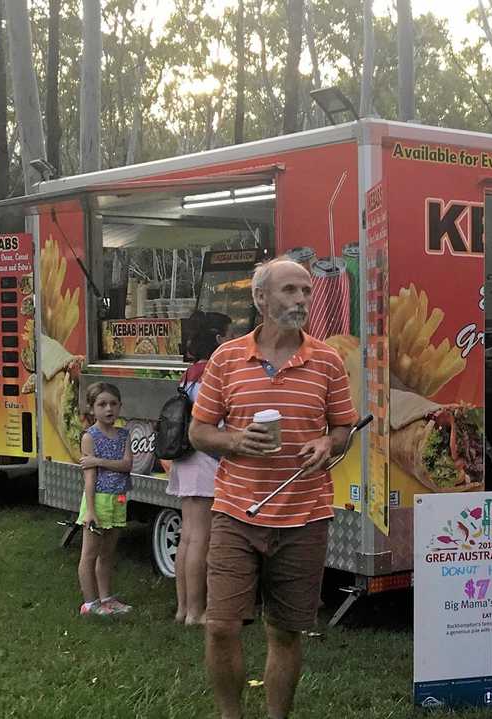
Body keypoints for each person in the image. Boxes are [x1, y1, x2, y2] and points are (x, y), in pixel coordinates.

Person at [189, 258, 357, 719]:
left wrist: (328, 443)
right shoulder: (227, 359)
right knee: (221, 626)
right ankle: (230, 715)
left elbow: (344, 429)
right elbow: (198, 432)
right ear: (261, 298)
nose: (301, 299)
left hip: (304, 518)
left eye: (305, 291)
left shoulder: (326, 359)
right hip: (236, 513)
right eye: (289, 291)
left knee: (285, 631)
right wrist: (236, 440)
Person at [167, 311, 234, 626]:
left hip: (185, 457)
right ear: (218, 338)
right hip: (206, 458)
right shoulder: (214, 372)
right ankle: (198, 611)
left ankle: (183, 608)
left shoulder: (189, 372)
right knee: (202, 538)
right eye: (229, 334)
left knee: (188, 536)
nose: (233, 340)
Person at [77, 382, 135, 617]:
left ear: (120, 406)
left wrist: (99, 461)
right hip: (98, 501)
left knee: (108, 553)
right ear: (92, 409)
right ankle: (90, 603)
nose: (108, 409)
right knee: (89, 554)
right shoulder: (90, 437)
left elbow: (126, 464)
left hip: (118, 499)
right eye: (102, 404)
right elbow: (89, 478)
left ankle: (106, 597)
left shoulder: (124, 434)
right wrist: (90, 510)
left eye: (113, 403)